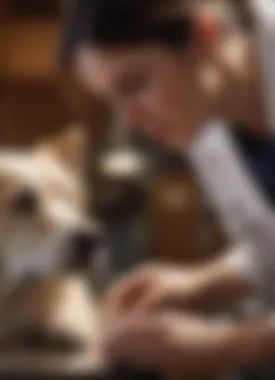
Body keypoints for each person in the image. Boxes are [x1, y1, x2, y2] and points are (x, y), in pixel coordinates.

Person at [60, 0, 275, 378]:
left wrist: (228, 344)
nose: (129, 122)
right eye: (112, 102)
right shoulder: (209, 117)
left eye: (134, 85)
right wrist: (200, 283)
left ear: (205, 37)